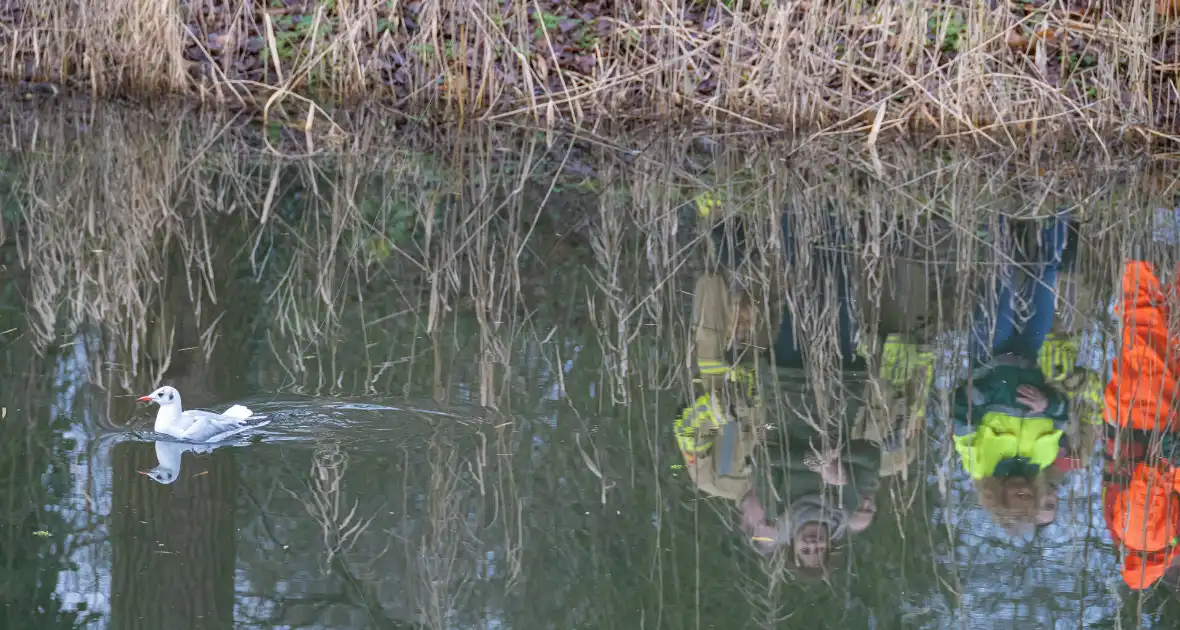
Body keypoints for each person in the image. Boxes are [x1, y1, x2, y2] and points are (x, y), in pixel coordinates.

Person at [675, 206, 936, 570]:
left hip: (748, 358)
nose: (769, 515)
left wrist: (719, 410)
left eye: (762, 522)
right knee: (817, 286)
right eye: (773, 521)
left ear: (745, 522)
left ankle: (755, 208)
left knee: (758, 277)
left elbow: (688, 429)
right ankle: (821, 208)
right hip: (814, 378)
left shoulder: (715, 479)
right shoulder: (844, 488)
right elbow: (897, 414)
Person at [951, 213, 1081, 533]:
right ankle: (1057, 212)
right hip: (1028, 356)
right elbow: (1063, 412)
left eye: (1016, 498)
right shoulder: (1043, 458)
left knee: (1003, 278)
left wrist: (993, 389)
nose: (1023, 492)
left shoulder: (980, 465)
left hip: (988, 355)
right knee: (1047, 276)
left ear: (1000, 497)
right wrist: (1046, 405)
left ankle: (997, 213)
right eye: (1029, 497)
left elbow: (959, 411)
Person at [1101, 260, 1180, 590]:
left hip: (1151, 422)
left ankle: (1146, 234)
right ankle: (1144, 242)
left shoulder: (1150, 540)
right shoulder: (1126, 538)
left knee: (1147, 322)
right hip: (1130, 419)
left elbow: (1150, 482)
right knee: (1149, 327)